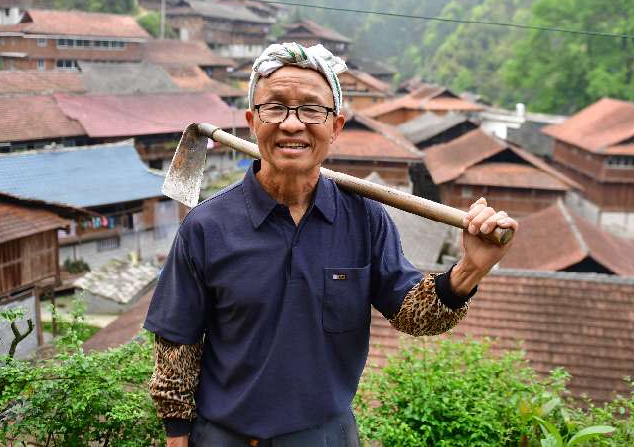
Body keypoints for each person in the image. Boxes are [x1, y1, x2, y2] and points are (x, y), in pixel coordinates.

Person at [145, 42, 518, 446]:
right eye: (275, 108)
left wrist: (470, 268)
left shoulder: (365, 218)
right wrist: (176, 435)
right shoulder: (206, 227)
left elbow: (414, 316)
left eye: (311, 110)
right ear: (253, 121)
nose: (292, 124)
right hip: (224, 436)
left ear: (335, 127)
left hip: (326, 435)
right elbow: (177, 343)